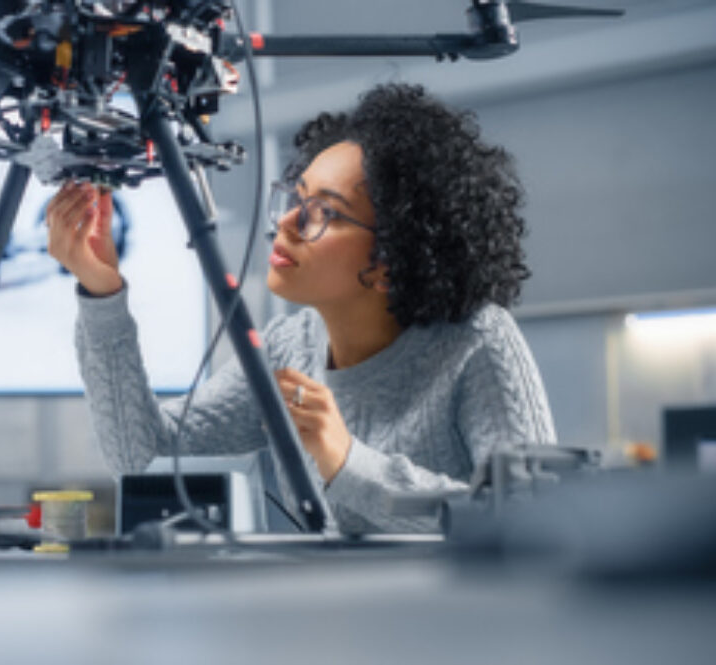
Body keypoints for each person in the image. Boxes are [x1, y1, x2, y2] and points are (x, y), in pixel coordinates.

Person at [45, 83, 556, 534]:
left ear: (391, 262)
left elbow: (534, 520)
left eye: (324, 213)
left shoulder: (477, 341)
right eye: (297, 196)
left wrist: (348, 463)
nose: (287, 222)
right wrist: (102, 294)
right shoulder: (290, 347)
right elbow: (144, 458)